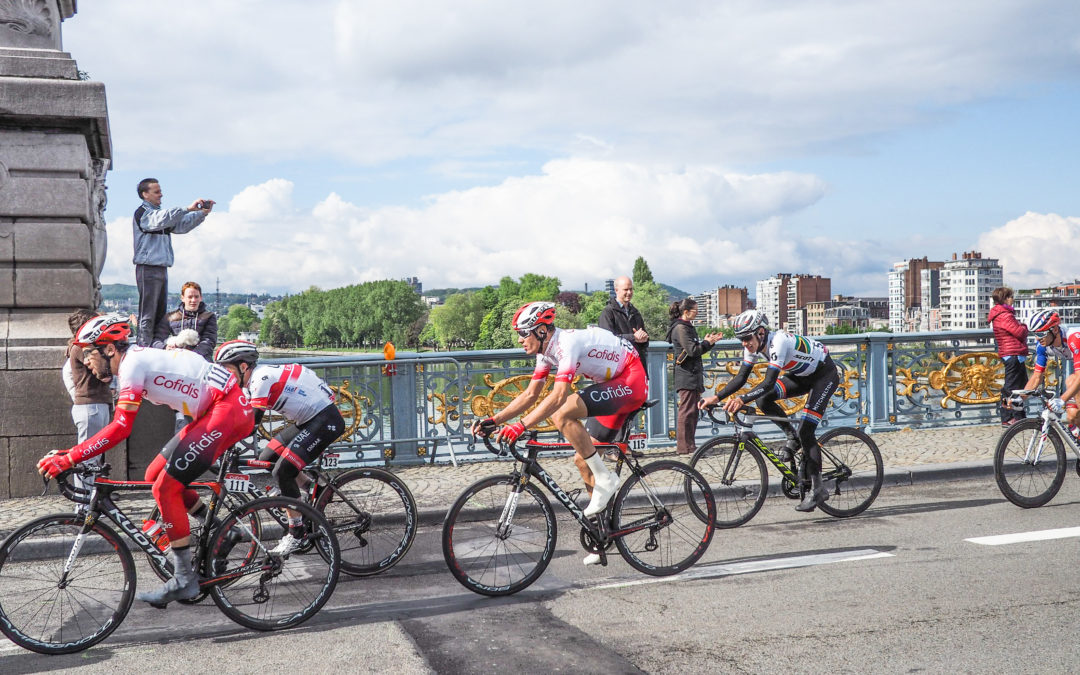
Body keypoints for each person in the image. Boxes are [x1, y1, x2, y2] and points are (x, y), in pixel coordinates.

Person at [36, 318, 256, 607]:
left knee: (165, 489)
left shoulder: (132, 366)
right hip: (215, 410)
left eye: (89, 354)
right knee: (154, 474)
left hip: (227, 411)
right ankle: (223, 530)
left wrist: (71, 458)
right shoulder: (135, 362)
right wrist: (69, 453)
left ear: (110, 349)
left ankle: (183, 578)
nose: (86, 362)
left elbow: (121, 428)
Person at [470, 302, 648, 565]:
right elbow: (530, 394)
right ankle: (601, 536)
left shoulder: (566, 345)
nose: (520, 340)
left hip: (631, 379)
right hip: (612, 383)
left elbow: (558, 396)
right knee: (582, 460)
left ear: (541, 331)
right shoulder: (546, 353)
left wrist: (520, 426)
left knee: (562, 413)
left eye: (524, 333)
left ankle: (606, 480)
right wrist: (494, 420)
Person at [699, 309, 839, 512]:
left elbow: (769, 381)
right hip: (801, 375)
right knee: (764, 401)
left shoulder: (778, 342)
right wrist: (716, 397)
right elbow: (741, 378)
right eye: (741, 339)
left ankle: (819, 489)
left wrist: (741, 399)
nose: (745, 343)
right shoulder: (752, 347)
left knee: (807, 430)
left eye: (747, 338)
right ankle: (792, 437)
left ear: (761, 333)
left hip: (824, 375)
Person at [246, 361, 346, 555]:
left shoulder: (260, 379)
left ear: (243, 367)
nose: (227, 373)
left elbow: (251, 423)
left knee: (283, 471)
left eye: (229, 368)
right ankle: (312, 490)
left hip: (325, 419)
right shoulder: (250, 379)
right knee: (269, 457)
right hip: (310, 418)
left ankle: (296, 533)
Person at [132, 177, 214, 347]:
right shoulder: (144, 214)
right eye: (157, 191)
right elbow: (162, 218)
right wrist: (187, 208)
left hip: (161, 267)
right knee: (148, 313)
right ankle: (143, 348)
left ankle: (156, 346)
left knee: (161, 313)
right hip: (147, 268)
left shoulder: (161, 217)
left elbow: (181, 226)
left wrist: (202, 213)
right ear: (145, 194)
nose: (161, 195)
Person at [63, 309, 112, 493]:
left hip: (92, 405)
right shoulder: (83, 348)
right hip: (91, 405)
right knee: (87, 459)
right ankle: (83, 503)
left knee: (92, 457)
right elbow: (104, 375)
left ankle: (90, 498)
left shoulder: (79, 347)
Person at [666, 298, 723, 455]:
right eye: (695, 311)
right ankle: (684, 448)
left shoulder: (686, 327)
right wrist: (706, 342)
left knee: (692, 412)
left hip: (691, 374)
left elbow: (696, 350)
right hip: (686, 375)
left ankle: (690, 446)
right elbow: (692, 350)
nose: (697, 314)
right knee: (687, 412)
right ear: (686, 312)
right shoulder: (680, 328)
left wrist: (709, 342)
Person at [1018, 310, 1080, 436]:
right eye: (1035, 333)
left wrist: (1062, 399)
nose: (1037, 338)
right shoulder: (1042, 345)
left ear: (1055, 329)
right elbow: (1036, 377)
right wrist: (1020, 399)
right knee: (1072, 417)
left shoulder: (1073, 338)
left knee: (1071, 381)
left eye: (1041, 333)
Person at [988, 287, 1028, 427]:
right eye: (1010, 296)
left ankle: (1019, 416)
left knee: (1020, 386)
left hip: (1012, 353)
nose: (1013, 299)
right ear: (1004, 299)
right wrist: (1024, 326)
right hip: (1012, 354)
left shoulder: (1001, 314)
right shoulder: (1005, 315)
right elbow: (1019, 332)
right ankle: (1008, 417)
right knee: (1011, 388)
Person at [152, 281, 218, 361]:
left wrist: (192, 356)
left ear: (201, 298)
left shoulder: (209, 316)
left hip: (200, 360)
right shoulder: (170, 317)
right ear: (182, 298)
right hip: (176, 359)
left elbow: (209, 341)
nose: (193, 300)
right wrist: (165, 347)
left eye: (196, 297)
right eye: (190, 297)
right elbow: (157, 340)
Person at [598, 276, 649, 372]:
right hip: (618, 369)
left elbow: (644, 341)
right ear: (616, 290)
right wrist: (633, 337)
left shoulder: (635, 312)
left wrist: (644, 338)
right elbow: (606, 341)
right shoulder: (608, 312)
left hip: (638, 367)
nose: (629, 292)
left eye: (631, 289)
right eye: (626, 289)